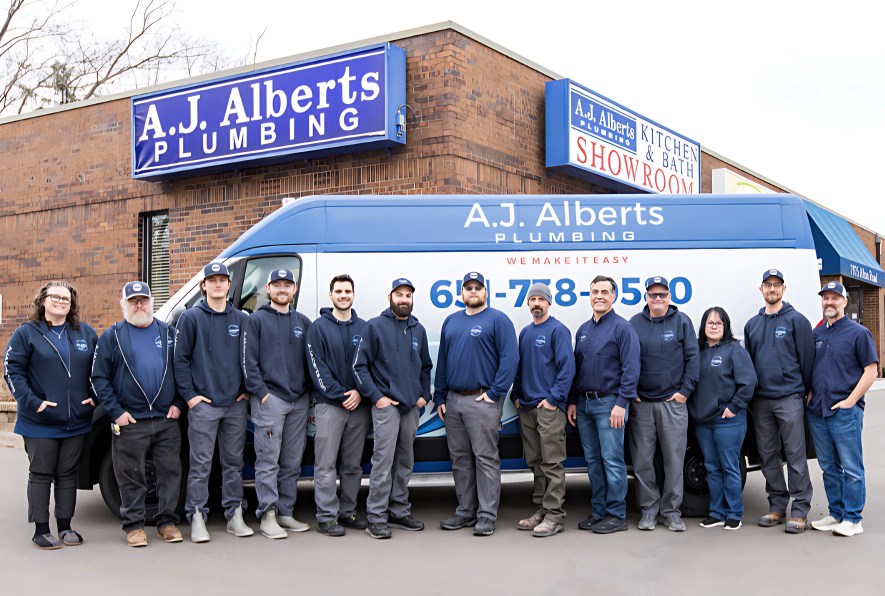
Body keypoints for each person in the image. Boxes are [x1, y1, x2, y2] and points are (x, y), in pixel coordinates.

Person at [3, 281, 97, 550]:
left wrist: (94, 397)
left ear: (72, 304)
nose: (60, 301)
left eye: (66, 298)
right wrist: (33, 403)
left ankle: (65, 527)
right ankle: (41, 530)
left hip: (76, 421)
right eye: (54, 297)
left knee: (67, 474)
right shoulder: (27, 334)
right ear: (43, 301)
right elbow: (13, 371)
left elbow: (102, 369)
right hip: (39, 422)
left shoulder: (86, 334)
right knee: (41, 474)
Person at [91, 282, 185, 547]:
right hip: (130, 421)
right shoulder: (112, 336)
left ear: (151, 302)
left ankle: (167, 523)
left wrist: (179, 401)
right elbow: (100, 378)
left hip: (167, 419)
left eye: (143, 300)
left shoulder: (169, 333)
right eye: (133, 301)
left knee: (170, 473)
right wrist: (116, 412)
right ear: (124, 305)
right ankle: (134, 527)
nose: (139, 305)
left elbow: (183, 371)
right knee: (130, 475)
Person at [435, 272, 519, 537]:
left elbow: (510, 358)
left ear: (485, 292)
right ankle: (465, 512)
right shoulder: (451, 321)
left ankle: (486, 515)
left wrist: (495, 393)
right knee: (460, 459)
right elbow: (443, 361)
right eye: (468, 287)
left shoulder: (498, 319)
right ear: (461, 293)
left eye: (478, 287)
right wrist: (440, 395)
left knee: (485, 459)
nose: (473, 291)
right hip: (454, 401)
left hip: (482, 400)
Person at [174, 262, 252, 543]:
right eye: (212, 280)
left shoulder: (242, 318)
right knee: (200, 464)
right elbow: (180, 360)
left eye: (223, 280)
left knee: (233, 463)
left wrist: (246, 390)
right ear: (203, 285)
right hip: (203, 405)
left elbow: (249, 358)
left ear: (229, 285)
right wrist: (191, 397)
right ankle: (197, 515)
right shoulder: (190, 318)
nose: (218, 284)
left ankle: (234, 514)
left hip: (235, 404)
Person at [353, 278, 432, 539]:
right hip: (386, 406)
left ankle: (399, 511)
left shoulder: (417, 329)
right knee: (383, 462)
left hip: (410, 408)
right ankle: (376, 517)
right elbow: (359, 366)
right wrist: (377, 397)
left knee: (405, 462)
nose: (404, 299)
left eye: (408, 295)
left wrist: (424, 394)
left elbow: (425, 367)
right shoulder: (375, 326)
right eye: (399, 294)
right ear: (390, 297)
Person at [242, 269, 313, 539]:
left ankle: (286, 513)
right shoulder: (256, 320)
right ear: (268, 289)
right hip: (270, 400)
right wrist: (262, 394)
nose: (283, 290)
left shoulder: (303, 322)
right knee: (268, 460)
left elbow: (310, 361)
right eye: (277, 285)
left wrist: (306, 393)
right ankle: (267, 515)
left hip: (298, 402)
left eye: (288, 285)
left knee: (292, 462)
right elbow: (248, 363)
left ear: (294, 290)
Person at [743, 269, 815, 534]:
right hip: (762, 401)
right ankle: (777, 506)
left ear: (784, 289)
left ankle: (800, 510)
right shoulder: (752, 325)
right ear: (761, 289)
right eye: (767, 285)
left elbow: (807, 360)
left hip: (789, 398)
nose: (772, 289)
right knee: (768, 455)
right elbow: (749, 363)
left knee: (795, 454)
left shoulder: (797, 320)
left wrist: (804, 391)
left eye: (777, 285)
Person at [568, 275, 640, 535]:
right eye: (594, 291)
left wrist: (622, 403)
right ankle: (599, 511)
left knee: (612, 460)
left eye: (604, 292)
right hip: (584, 405)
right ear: (590, 296)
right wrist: (573, 401)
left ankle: (616, 514)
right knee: (593, 461)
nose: (599, 296)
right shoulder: (583, 330)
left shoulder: (623, 328)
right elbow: (577, 369)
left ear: (613, 296)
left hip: (610, 404)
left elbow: (632, 368)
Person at [807, 282, 878, 537]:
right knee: (829, 466)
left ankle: (853, 518)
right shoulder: (817, 335)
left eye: (835, 298)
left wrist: (851, 401)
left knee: (851, 466)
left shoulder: (859, 333)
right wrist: (812, 396)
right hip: (818, 411)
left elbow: (872, 371)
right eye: (826, 298)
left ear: (845, 302)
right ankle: (836, 513)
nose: (829, 302)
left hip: (845, 411)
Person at [628, 276, 699, 532]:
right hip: (642, 404)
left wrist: (684, 392)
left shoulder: (681, 321)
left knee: (673, 460)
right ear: (645, 297)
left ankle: (671, 512)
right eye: (652, 294)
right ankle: (648, 511)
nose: (657, 299)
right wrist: (631, 391)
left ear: (669, 297)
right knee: (643, 461)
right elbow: (625, 358)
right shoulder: (634, 323)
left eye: (662, 294)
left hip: (673, 403)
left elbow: (693, 358)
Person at [307, 274, 371, 537]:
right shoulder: (318, 327)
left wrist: (359, 392)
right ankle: (326, 517)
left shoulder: (366, 328)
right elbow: (316, 367)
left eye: (348, 291)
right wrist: (342, 394)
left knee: (353, 465)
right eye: (339, 291)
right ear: (331, 295)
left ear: (353, 295)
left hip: (359, 406)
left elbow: (372, 366)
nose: (343, 295)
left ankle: (347, 512)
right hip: (329, 406)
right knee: (325, 464)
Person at [511, 283, 574, 538]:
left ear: (549, 303)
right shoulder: (525, 333)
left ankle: (555, 516)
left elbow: (567, 370)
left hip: (548, 410)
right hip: (526, 409)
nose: (537, 303)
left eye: (541, 299)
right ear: (528, 303)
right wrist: (516, 396)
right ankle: (542, 509)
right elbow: (519, 368)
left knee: (552, 463)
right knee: (535, 462)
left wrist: (552, 400)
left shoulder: (558, 330)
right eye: (533, 299)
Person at [691, 307, 757, 531]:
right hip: (702, 421)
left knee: (729, 467)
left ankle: (734, 513)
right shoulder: (697, 351)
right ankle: (716, 512)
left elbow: (749, 382)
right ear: (703, 326)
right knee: (711, 467)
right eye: (710, 322)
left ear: (725, 326)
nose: (713, 326)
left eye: (718, 323)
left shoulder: (734, 350)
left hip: (728, 419)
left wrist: (733, 407)